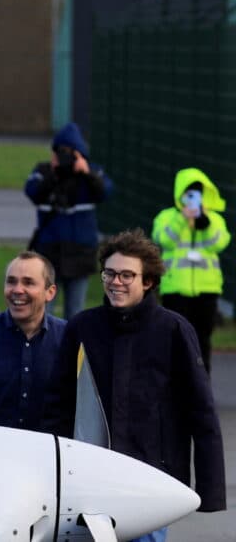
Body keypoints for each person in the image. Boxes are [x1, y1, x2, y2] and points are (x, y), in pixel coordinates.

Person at [43, 229, 227, 538]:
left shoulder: (173, 330)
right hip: (91, 481)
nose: (116, 282)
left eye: (127, 275)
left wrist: (210, 492)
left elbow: (202, 413)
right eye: (110, 274)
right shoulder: (82, 327)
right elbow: (58, 404)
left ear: (148, 281)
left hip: (151, 482)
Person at [0, 251, 65, 430]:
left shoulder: (68, 339)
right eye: (11, 281)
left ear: (50, 292)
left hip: (50, 453)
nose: (17, 290)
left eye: (28, 282)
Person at [25, 122, 112, 320]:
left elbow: (105, 192)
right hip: (49, 253)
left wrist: (86, 173)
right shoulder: (44, 171)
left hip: (80, 254)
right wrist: (54, 176)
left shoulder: (91, 173)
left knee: (75, 313)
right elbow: (32, 192)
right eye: (60, 151)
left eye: (70, 152)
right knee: (44, 313)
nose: (65, 157)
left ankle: (73, 351)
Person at [151, 168, 230, 373]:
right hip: (176, 288)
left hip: (207, 289)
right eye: (189, 193)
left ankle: (202, 387)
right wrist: (183, 219)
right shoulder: (167, 217)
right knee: (175, 339)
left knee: (203, 339)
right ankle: (175, 387)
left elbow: (220, 243)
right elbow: (163, 240)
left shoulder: (215, 219)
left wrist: (205, 221)